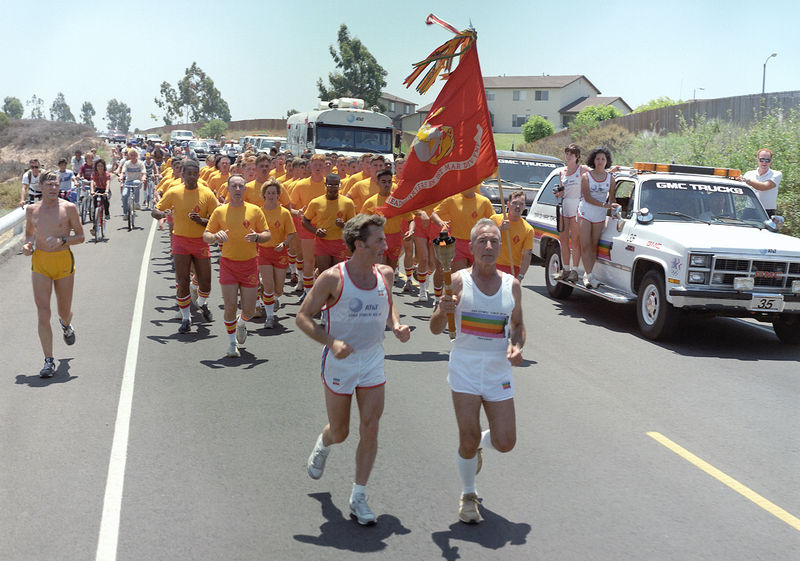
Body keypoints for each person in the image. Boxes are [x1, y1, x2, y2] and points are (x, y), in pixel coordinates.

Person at [297, 213, 411, 526]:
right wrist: (331, 342)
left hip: (372, 359)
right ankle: (324, 444)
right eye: (379, 241)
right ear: (360, 245)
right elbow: (302, 317)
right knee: (341, 431)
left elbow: (388, 304)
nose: (385, 245)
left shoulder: (385, 273)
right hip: (340, 362)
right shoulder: (333, 278)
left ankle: (358, 497)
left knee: (371, 426)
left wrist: (397, 324)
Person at [429, 218, 524, 524]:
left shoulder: (512, 285)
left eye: (494, 241)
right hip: (465, 367)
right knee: (466, 435)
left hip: (498, 371)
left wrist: (517, 346)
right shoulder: (456, 280)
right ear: (470, 247)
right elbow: (434, 329)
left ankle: (480, 445)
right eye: (482, 241)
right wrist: (443, 313)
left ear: (500, 247)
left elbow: (518, 326)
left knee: (506, 441)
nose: (488, 246)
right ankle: (468, 495)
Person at [22, 170, 85, 377]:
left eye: (56, 184)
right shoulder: (32, 210)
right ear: (40, 186)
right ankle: (48, 360)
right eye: (48, 185)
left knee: (63, 311)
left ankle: (66, 325)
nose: (53, 188)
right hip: (40, 263)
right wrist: (27, 245)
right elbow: (29, 234)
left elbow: (81, 236)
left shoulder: (69, 208)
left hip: (63, 262)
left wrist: (63, 241)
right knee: (43, 312)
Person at [203, 174, 269, 357]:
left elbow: (267, 234)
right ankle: (232, 344)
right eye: (234, 186)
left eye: (241, 186)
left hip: (249, 265)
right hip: (228, 265)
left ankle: (241, 322)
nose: (238, 189)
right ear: (228, 189)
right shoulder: (220, 211)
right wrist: (215, 237)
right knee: (230, 305)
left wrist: (258, 237)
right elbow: (206, 235)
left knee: (249, 309)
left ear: (245, 189)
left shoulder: (255, 210)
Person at [152, 158, 218, 333]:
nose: (191, 176)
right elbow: (155, 210)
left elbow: (215, 220)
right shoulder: (174, 192)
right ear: (182, 174)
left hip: (200, 242)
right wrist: (161, 213)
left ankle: (202, 303)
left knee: (205, 284)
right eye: (188, 173)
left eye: (195, 173)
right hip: (180, 241)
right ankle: (186, 319)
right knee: (182, 281)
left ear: (198, 174)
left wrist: (201, 220)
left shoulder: (207, 193)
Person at [258, 178, 296, 328]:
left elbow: (292, 233)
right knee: (268, 286)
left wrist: (284, 243)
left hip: (280, 253)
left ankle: (273, 296)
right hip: (264, 252)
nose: (271, 195)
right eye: (269, 193)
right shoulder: (258, 212)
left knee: (278, 289)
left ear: (278, 195)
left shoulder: (285, 213)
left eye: (274, 193)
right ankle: (270, 317)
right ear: (264, 195)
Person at [578, 147, 617, 289]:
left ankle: (588, 274)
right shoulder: (586, 177)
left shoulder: (611, 179)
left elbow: (612, 197)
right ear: (593, 160)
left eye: (603, 159)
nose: (600, 161)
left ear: (607, 161)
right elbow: (587, 198)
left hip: (600, 215)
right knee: (585, 244)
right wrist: (605, 205)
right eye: (598, 159)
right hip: (585, 212)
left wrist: (614, 208)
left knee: (594, 245)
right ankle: (590, 276)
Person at [302, 173, 356, 274]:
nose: (333, 188)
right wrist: (316, 231)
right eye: (330, 185)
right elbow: (305, 221)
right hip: (322, 242)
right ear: (325, 185)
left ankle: (336, 290)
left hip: (340, 243)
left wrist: (343, 225)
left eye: (336, 185)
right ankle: (320, 288)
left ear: (340, 186)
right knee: (324, 273)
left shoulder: (348, 203)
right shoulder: (316, 202)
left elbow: (353, 226)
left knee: (337, 273)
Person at [360, 169, 413, 271]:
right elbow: (361, 222)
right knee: (380, 269)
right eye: (383, 182)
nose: (387, 185)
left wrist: (411, 231)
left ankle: (387, 286)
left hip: (395, 238)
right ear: (377, 183)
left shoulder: (398, 201)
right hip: (378, 238)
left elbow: (410, 219)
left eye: (389, 182)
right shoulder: (370, 202)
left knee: (390, 270)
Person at [553, 144, 589, 282]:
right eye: (567, 153)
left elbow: (597, 173)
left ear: (577, 156)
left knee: (575, 240)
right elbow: (562, 191)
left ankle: (575, 271)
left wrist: (612, 170)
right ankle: (565, 269)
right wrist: (559, 193)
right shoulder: (562, 172)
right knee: (563, 239)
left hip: (576, 205)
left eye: (571, 154)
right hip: (565, 205)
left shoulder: (582, 170)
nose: (568, 156)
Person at [491, 190, 534, 281]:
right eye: (514, 203)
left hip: (512, 270)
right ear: (508, 204)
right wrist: (499, 229)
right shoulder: (495, 219)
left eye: (521, 204)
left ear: (524, 206)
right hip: (492, 266)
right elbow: (483, 238)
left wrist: (521, 276)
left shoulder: (528, 229)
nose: (517, 206)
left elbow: (527, 255)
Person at [741, 148, 782, 217]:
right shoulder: (749, 174)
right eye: (762, 159)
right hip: (750, 210)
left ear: (771, 161)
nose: (764, 162)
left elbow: (763, 187)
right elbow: (740, 195)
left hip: (767, 212)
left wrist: (746, 181)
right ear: (757, 160)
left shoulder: (776, 174)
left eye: (767, 160)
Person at [119, 148, 146, 216]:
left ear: (137, 155)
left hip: (137, 181)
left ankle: (136, 203)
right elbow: (123, 172)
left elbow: (144, 173)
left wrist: (143, 178)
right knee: (124, 196)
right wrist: (121, 177)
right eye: (131, 155)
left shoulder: (140, 163)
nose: (133, 156)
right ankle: (125, 213)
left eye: (134, 155)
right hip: (128, 182)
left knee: (136, 183)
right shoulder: (127, 163)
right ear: (129, 156)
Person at [89, 159, 111, 237]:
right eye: (98, 166)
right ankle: (95, 227)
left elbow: (108, 183)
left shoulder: (107, 174)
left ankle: (107, 213)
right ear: (96, 167)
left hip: (105, 190)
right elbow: (92, 183)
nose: (100, 167)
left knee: (105, 201)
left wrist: (106, 191)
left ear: (104, 166)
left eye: (101, 166)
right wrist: (92, 191)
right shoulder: (94, 174)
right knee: (95, 208)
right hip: (97, 189)